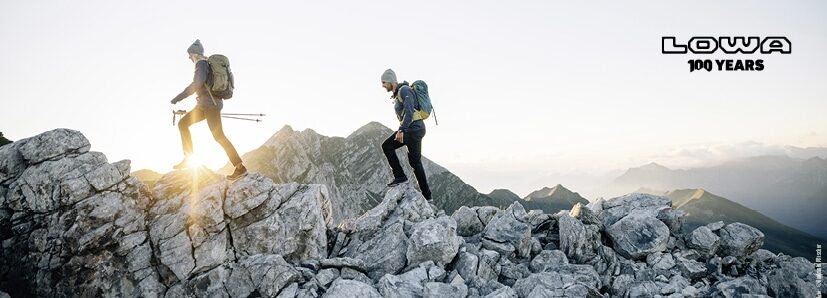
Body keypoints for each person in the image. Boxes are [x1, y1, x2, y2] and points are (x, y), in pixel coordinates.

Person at [170, 39, 247, 180]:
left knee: (218, 136)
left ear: (194, 53)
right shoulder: (206, 64)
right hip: (206, 105)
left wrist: (178, 97)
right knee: (183, 124)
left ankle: (240, 167)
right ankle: (188, 157)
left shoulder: (201, 64)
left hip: (210, 105)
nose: (188, 57)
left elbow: (197, 84)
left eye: (189, 54)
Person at [380, 69, 432, 201]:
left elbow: (409, 111)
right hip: (415, 128)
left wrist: (401, 130)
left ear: (391, 81)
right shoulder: (398, 94)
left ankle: (400, 176)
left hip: (413, 128)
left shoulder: (404, 91)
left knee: (387, 146)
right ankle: (427, 196)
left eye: (384, 82)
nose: (383, 85)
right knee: (415, 162)